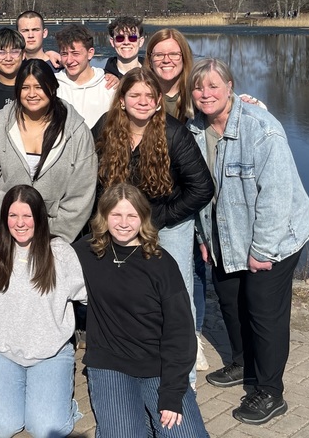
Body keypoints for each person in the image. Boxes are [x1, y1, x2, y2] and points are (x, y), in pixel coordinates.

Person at [188, 58, 309, 426]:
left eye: (214, 86)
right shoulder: (197, 130)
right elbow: (202, 192)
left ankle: (270, 392)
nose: (206, 93)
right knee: (228, 298)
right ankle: (244, 363)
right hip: (226, 233)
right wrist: (205, 237)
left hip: (275, 237)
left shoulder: (262, 129)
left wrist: (263, 250)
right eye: (199, 87)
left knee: (263, 311)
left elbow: (275, 195)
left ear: (230, 87)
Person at [93, 69, 214, 382]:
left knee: (175, 295)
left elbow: (201, 188)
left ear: (160, 101)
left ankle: (182, 377)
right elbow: (92, 182)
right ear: (122, 100)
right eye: (135, 95)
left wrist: (160, 218)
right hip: (120, 226)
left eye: (150, 96)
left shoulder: (173, 133)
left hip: (168, 223)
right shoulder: (105, 129)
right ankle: (132, 361)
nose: (142, 102)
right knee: (129, 293)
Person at [75, 184, 209, 438]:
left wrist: (172, 393)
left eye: (131, 216)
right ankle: (138, 419)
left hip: (157, 366)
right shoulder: (87, 251)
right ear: (103, 217)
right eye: (116, 215)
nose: (123, 223)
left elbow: (180, 332)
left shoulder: (161, 263)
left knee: (187, 435)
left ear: (143, 218)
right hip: (109, 364)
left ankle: (146, 418)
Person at [0, 186, 87, 438]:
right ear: (5, 218)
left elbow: (88, 296)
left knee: (48, 429)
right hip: (0, 350)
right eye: (13, 216)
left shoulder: (60, 252)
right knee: (2, 427)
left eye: (27, 216)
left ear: (39, 217)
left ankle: (58, 402)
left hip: (50, 353)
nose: (20, 223)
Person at [0, 59, 97, 243]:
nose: (32, 94)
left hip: (55, 235)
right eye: (25, 87)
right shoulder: (0, 123)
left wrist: (56, 236)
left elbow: (82, 190)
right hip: (6, 229)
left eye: (39, 87)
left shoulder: (76, 130)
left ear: (52, 87)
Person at [54, 24, 114, 129]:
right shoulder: (53, 85)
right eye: (64, 54)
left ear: (90, 53)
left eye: (75, 53)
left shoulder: (109, 86)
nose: (69, 60)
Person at [144, 28, 194, 121]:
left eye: (174, 54)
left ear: (184, 58)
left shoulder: (197, 96)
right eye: (159, 55)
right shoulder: (140, 98)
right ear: (150, 60)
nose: (166, 60)